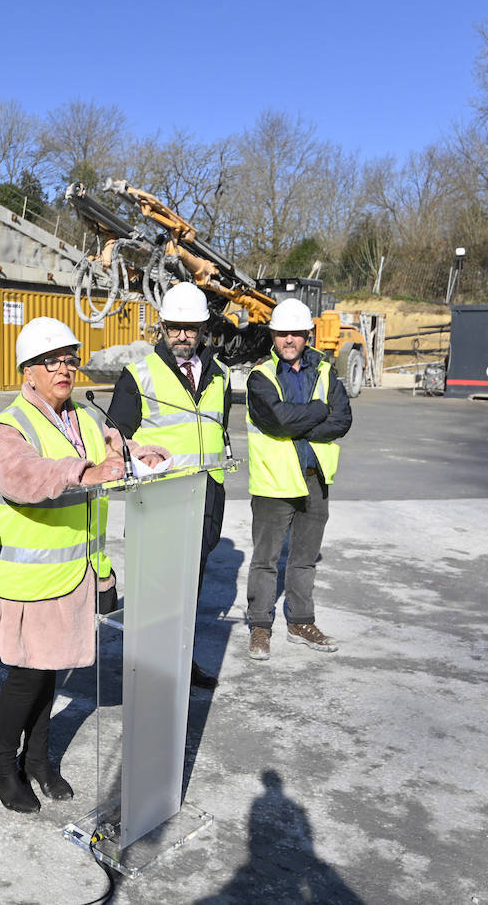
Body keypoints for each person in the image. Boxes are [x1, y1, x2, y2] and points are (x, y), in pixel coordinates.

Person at [0, 317, 167, 814]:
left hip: (76, 572)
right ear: (29, 371)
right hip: (31, 576)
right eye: (52, 361)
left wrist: (144, 456)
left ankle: (38, 760)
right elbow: (20, 476)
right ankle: (2, 767)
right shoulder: (8, 427)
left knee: (52, 672)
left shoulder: (82, 415)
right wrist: (84, 471)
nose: (64, 369)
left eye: (69, 359)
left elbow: (116, 448)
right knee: (26, 678)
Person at [107, 281, 231, 690]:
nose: (182, 335)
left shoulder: (221, 375)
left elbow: (218, 431)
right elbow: (113, 440)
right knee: (154, 589)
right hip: (159, 500)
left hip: (206, 497)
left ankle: (180, 661)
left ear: (203, 329)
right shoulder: (139, 375)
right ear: (162, 327)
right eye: (175, 327)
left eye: (191, 328)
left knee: (188, 588)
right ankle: (145, 668)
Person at [243, 297, 352, 662]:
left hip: (314, 479)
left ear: (307, 335)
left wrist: (301, 421)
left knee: (304, 559)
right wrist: (318, 412)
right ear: (272, 336)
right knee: (266, 560)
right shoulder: (260, 377)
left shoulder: (325, 372)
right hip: (274, 483)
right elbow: (277, 419)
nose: (288, 339)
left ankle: (301, 622)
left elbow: (343, 420)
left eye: (296, 333)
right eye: (281, 333)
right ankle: (260, 625)